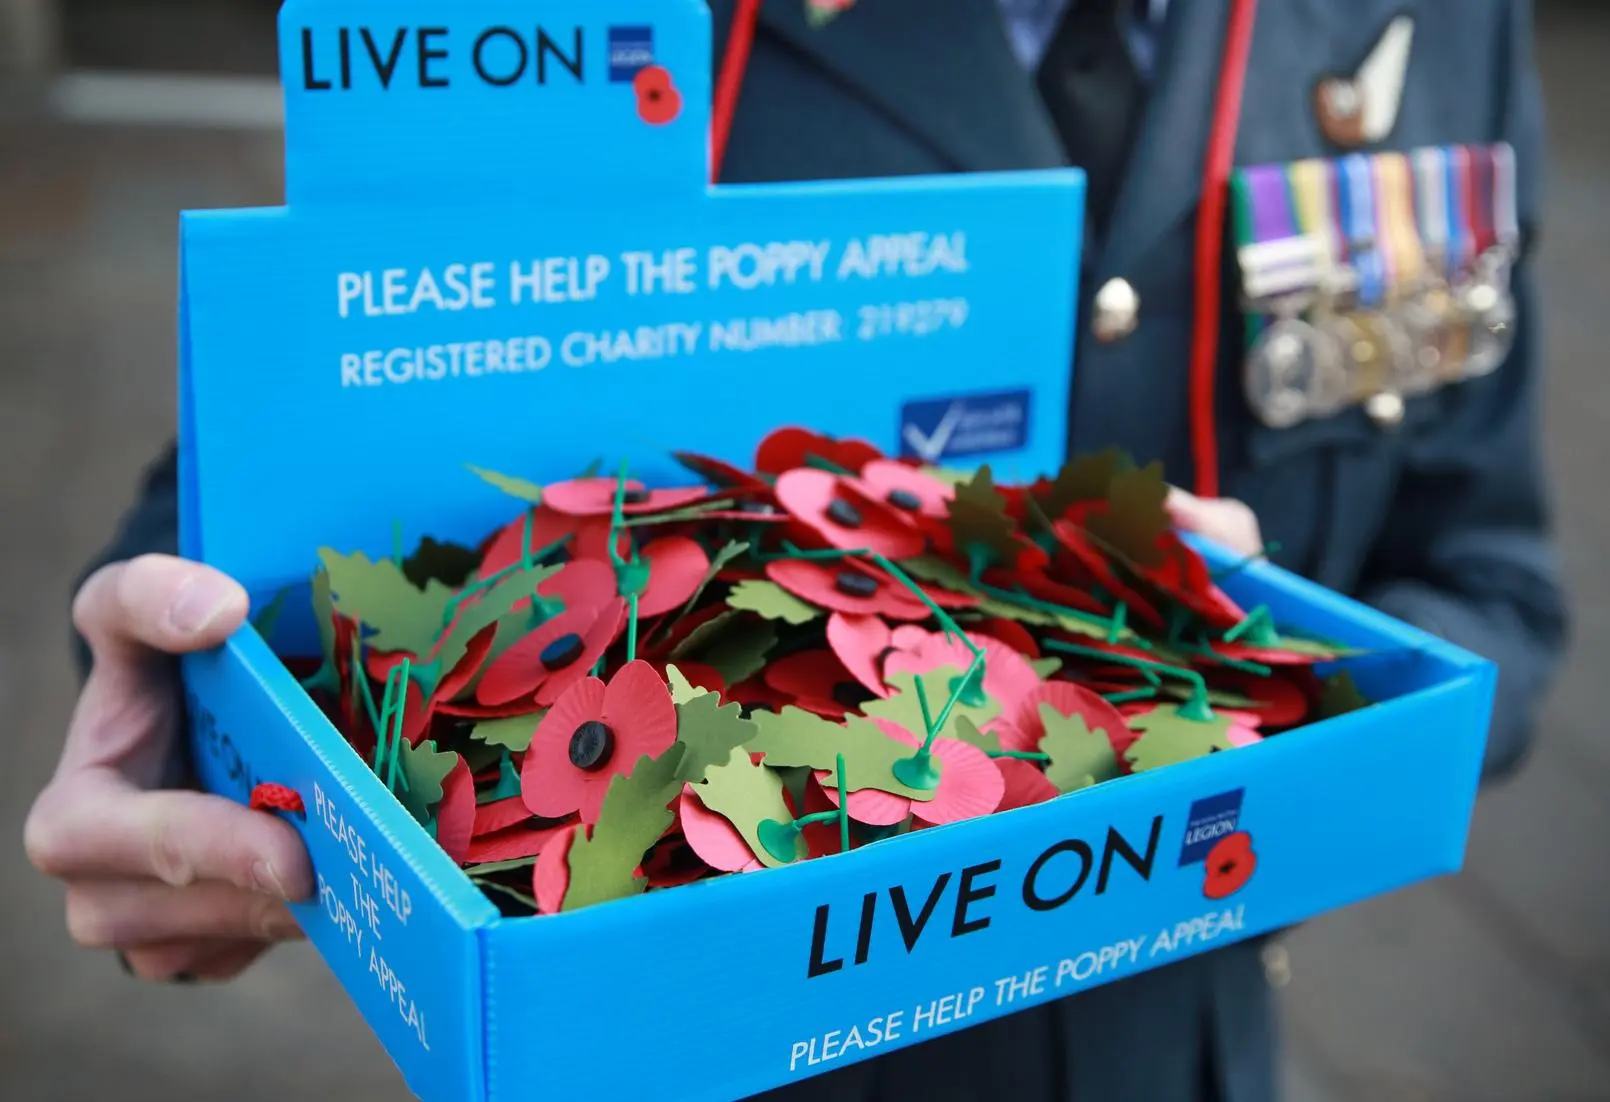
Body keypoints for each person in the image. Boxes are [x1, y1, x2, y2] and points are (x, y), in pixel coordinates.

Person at [24, 0, 1564, 1099]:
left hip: (1179, 1045)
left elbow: (1490, 583)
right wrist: (196, 734)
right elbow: (323, 430)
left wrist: (1270, 658)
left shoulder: (1433, 21)